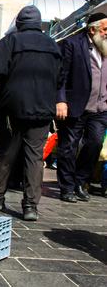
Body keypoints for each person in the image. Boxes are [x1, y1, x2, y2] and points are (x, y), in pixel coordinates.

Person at [0, 6, 62, 221]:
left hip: (13, 106)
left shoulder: (10, 41)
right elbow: (61, 77)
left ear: (19, 23)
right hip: (43, 107)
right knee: (34, 156)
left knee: (7, 152)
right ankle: (30, 206)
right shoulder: (52, 45)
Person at [56, 12, 107, 202]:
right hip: (74, 106)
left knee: (95, 144)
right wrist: (60, 100)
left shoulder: (106, 47)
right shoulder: (72, 44)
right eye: (105, 29)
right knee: (67, 147)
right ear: (92, 29)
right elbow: (62, 75)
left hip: (100, 108)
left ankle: (80, 181)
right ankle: (67, 187)